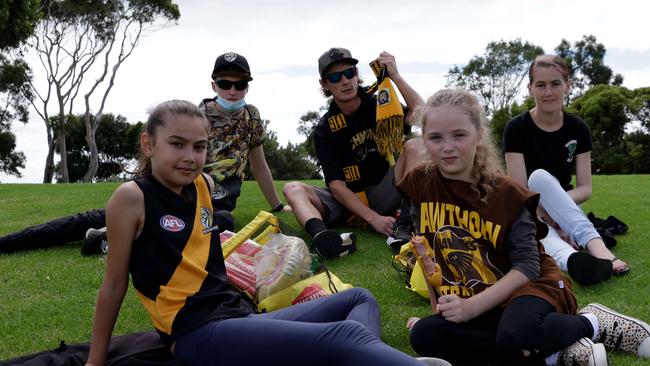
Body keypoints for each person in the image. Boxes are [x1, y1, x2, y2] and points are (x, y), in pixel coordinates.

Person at [84, 99, 449, 366]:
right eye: (176, 144)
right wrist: (95, 362)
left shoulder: (204, 185)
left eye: (200, 146)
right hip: (196, 332)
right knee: (345, 335)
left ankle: (364, 360)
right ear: (149, 144)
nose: (190, 157)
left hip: (236, 317)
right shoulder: (132, 198)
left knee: (359, 299)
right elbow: (114, 285)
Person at [399, 89, 650, 365]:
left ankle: (592, 322)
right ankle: (556, 351)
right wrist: (439, 308)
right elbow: (428, 251)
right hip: (481, 295)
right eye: (436, 137)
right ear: (424, 139)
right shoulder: (419, 183)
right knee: (424, 336)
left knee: (514, 337)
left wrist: (470, 308)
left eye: (459, 135)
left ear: (478, 136)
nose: (447, 146)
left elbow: (528, 267)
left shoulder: (507, 193)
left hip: (532, 286)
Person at [0, 51, 288, 256]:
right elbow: (164, 155)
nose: (233, 90)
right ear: (214, 85)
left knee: (222, 221)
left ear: (248, 85)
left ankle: (107, 237)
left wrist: (277, 207)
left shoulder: (252, 117)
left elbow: (259, 164)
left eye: (240, 84)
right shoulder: (193, 115)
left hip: (211, 206)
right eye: (226, 83)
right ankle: (10, 242)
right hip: (174, 192)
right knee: (86, 219)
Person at [283, 47, 426, 259]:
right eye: (335, 76)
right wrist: (373, 218)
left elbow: (422, 115)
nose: (345, 81)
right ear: (325, 84)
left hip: (386, 189)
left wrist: (395, 76)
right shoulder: (325, 129)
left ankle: (409, 222)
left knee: (416, 146)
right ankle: (322, 237)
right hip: (348, 201)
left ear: (357, 74)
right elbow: (337, 186)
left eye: (350, 72)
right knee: (292, 188)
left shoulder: (379, 102)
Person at [502, 54, 628, 286]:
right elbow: (520, 190)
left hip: (567, 205)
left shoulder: (578, 128)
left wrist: (559, 212)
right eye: (541, 85)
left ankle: (597, 248)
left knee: (541, 179)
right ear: (530, 88)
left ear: (567, 86)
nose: (548, 92)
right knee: (538, 217)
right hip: (530, 208)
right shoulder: (516, 129)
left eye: (555, 84)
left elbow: (585, 188)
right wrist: (549, 217)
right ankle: (574, 261)